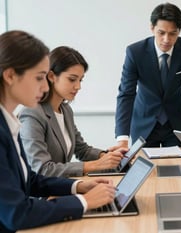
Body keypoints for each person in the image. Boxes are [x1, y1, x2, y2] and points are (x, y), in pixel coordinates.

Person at [0, 30, 117, 233]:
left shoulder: (9, 123)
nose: (46, 86)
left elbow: (31, 180)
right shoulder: (21, 120)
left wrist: (78, 186)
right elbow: (16, 214)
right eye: (39, 78)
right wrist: (84, 202)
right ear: (10, 75)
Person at [19, 46, 124, 177]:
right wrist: (95, 165)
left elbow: (82, 150)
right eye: (72, 79)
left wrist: (109, 157)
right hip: (40, 194)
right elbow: (42, 169)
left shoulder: (65, 110)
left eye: (80, 80)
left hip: (60, 186)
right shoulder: (32, 114)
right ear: (51, 76)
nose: (78, 86)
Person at [115, 2, 181, 148]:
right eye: (161, 32)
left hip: (177, 125)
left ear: (179, 31)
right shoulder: (135, 52)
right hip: (144, 124)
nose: (166, 39)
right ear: (152, 28)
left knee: (178, 168)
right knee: (144, 168)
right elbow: (126, 94)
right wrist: (122, 138)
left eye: (172, 33)